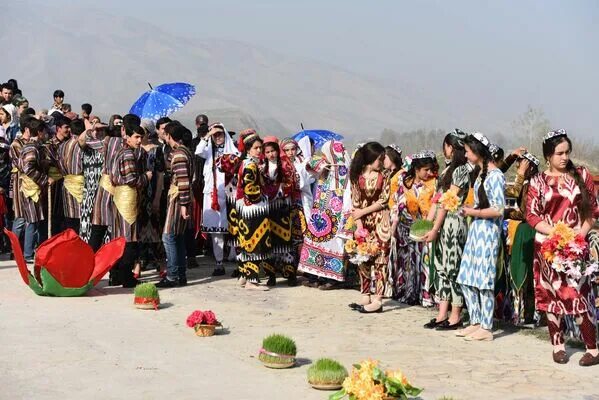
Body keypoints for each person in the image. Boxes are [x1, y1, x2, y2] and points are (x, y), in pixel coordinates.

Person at [526, 129, 599, 366]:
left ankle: (592, 348)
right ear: (548, 155)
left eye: (567, 152)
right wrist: (556, 233)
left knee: (579, 297)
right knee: (550, 297)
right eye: (559, 153)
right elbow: (532, 215)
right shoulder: (537, 181)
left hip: (576, 248)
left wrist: (580, 234)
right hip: (547, 248)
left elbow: (592, 212)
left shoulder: (581, 175)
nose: (564, 157)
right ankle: (558, 346)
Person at [455, 132, 505, 341]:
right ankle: (475, 320)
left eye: (467, 151)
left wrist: (473, 212)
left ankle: (486, 326)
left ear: (476, 151)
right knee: (467, 277)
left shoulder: (496, 176)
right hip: (476, 230)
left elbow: (498, 209)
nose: (465, 155)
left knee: (484, 280)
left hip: (488, 232)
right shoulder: (480, 174)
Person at [422, 130, 470, 330]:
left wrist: (435, 227)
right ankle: (442, 313)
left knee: (453, 268)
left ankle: (455, 315)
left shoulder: (462, 171)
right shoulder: (447, 170)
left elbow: (447, 201)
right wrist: (427, 224)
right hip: (442, 223)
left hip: (453, 223)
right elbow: (437, 199)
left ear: (450, 147)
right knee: (441, 268)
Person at [297, 140, 351, 289]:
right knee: (315, 244)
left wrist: (345, 220)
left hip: (335, 217)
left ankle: (332, 279)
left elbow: (347, 198)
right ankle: (315, 275)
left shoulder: (344, 174)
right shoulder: (325, 169)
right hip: (319, 217)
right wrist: (320, 163)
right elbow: (308, 167)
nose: (324, 157)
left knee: (334, 245)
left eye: (326, 154)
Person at [346, 142, 391, 313]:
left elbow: (383, 200)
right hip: (363, 223)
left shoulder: (384, 176)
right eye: (380, 158)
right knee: (363, 258)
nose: (382, 162)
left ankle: (378, 299)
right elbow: (355, 201)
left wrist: (362, 212)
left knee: (381, 260)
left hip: (381, 222)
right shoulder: (357, 177)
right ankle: (365, 294)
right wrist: (359, 227)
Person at [390, 150, 438, 305]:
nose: (429, 173)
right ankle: (405, 291)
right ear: (417, 169)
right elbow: (396, 203)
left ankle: (422, 294)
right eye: (426, 170)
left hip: (424, 228)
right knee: (405, 262)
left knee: (422, 261)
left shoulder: (433, 184)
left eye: (431, 169)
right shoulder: (404, 183)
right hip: (404, 228)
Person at [109, 122, 151, 287]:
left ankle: (116, 275)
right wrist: (146, 177)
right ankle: (126, 277)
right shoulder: (127, 154)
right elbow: (132, 179)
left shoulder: (120, 151)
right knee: (129, 239)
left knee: (120, 238)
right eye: (136, 137)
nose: (139, 140)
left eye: (141, 137)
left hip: (120, 196)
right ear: (128, 136)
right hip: (127, 197)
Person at [195, 123, 239, 276]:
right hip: (213, 195)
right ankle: (219, 263)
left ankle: (238, 265)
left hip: (230, 194)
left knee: (235, 230)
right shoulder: (208, 151)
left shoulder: (233, 152)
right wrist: (207, 136)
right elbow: (198, 150)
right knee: (216, 231)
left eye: (220, 134)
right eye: (215, 135)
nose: (217, 137)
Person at [157, 124, 194, 287]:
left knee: (169, 236)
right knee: (177, 237)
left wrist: (184, 204)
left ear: (169, 135)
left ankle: (172, 275)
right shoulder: (185, 151)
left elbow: (184, 180)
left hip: (179, 197)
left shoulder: (179, 154)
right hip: (182, 196)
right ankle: (180, 274)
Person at [234, 129, 271, 290]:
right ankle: (252, 280)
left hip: (245, 208)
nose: (259, 151)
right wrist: (261, 197)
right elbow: (250, 189)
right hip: (253, 210)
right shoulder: (250, 165)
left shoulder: (247, 163)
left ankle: (244, 275)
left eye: (260, 148)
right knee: (253, 243)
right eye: (256, 148)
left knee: (246, 242)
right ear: (248, 149)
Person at [261, 137, 299, 286]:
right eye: (268, 152)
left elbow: (290, 184)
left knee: (285, 240)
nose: (271, 154)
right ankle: (271, 275)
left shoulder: (285, 165)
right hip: (268, 209)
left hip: (282, 207)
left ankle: (290, 274)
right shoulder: (261, 167)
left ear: (278, 151)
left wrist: (276, 189)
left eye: (273, 151)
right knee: (269, 242)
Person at [18, 118, 53, 262]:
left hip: (33, 188)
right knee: (32, 221)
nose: (46, 134)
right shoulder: (31, 148)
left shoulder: (33, 146)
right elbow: (28, 168)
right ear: (39, 132)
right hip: (31, 190)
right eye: (44, 131)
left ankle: (32, 252)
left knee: (36, 221)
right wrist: (45, 179)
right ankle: (27, 254)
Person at [57, 117, 85, 233]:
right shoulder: (83, 146)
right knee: (81, 219)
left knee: (70, 220)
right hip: (81, 185)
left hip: (67, 185)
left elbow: (58, 164)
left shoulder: (62, 146)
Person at [382, 144, 403, 296]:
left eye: (385, 157)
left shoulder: (401, 174)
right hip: (388, 213)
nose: (383, 160)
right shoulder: (388, 174)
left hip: (396, 214)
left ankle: (396, 285)